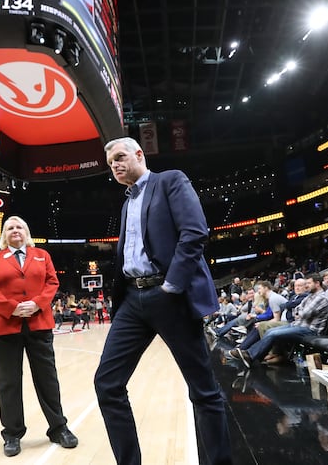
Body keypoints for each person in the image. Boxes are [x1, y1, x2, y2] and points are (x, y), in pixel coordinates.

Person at [93, 137, 232, 465]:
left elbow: (195, 232)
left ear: (139, 154)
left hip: (168, 294)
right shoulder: (127, 202)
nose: (115, 165)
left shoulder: (169, 180)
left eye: (120, 157)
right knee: (107, 384)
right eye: (111, 162)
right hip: (132, 298)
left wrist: (172, 285)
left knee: (203, 390)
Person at [0, 215, 78, 457]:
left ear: (27, 232)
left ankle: (58, 428)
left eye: (19, 226)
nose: (15, 230)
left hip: (39, 324)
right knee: (8, 382)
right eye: (10, 227)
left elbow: (52, 282)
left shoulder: (42, 255)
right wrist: (11, 306)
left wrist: (37, 303)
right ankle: (12, 434)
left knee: (47, 379)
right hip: (4, 327)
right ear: (4, 235)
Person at [230, 274, 328, 368]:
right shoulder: (310, 296)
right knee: (270, 331)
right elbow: (296, 309)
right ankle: (251, 354)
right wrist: (299, 313)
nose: (306, 286)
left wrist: (299, 313)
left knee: (273, 333)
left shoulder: (321, 298)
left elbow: (304, 313)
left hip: (309, 329)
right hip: (298, 324)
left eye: (309, 283)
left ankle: (250, 355)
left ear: (317, 283)